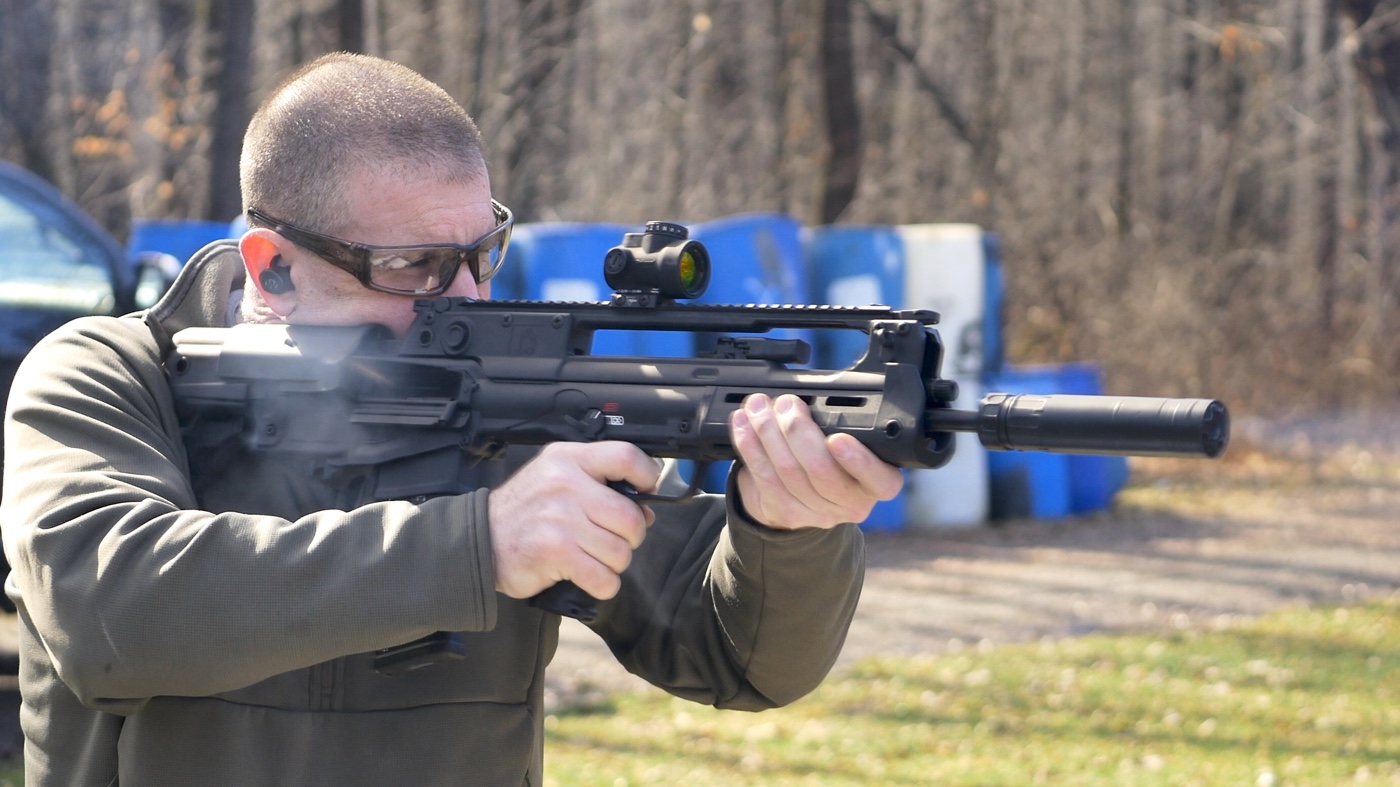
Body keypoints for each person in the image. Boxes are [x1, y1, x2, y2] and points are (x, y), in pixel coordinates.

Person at [0, 53, 902, 785]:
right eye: (414, 264)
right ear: (271, 266)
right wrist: (478, 547)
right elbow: (110, 615)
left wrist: (788, 528)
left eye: (481, 253)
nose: (464, 298)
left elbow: (737, 657)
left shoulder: (509, 410)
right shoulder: (113, 377)